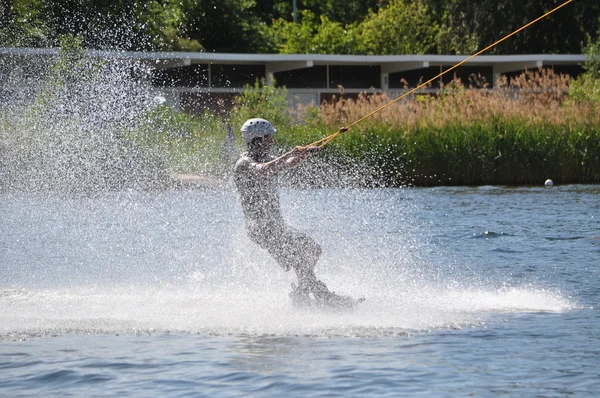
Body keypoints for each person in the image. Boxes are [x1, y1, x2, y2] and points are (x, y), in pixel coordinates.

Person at [233, 118, 356, 308]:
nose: (272, 141)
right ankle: (319, 295)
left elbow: (281, 164)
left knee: (312, 250)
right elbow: (264, 170)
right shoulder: (244, 163)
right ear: (257, 139)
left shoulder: (267, 159)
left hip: (276, 226)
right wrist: (289, 155)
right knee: (300, 257)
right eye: (268, 138)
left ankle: (303, 294)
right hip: (261, 229)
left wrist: (301, 156)